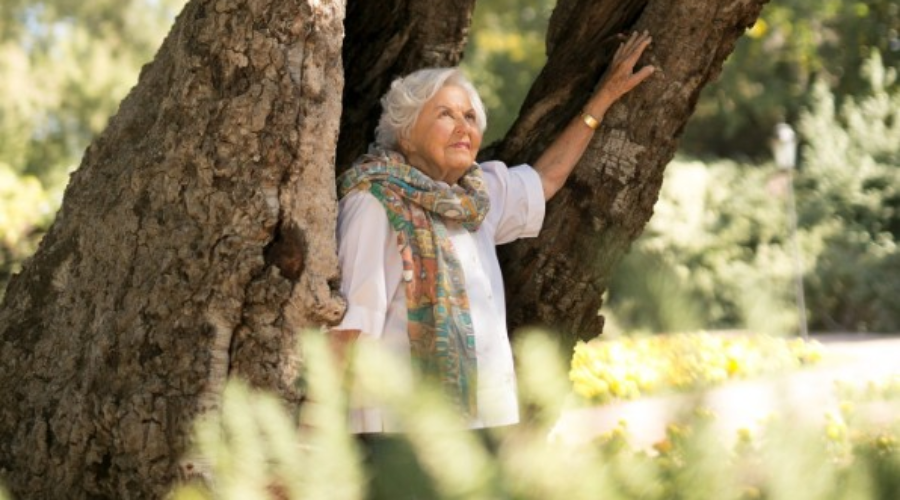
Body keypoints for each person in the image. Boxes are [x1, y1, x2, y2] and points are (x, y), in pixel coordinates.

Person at [332, 30, 655, 498]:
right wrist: (308, 440)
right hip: (403, 433)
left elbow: (546, 179)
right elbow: (350, 329)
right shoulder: (373, 202)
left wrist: (602, 98)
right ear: (405, 130)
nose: (464, 127)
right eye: (445, 114)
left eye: (470, 116)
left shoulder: (477, 196)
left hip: (486, 423)